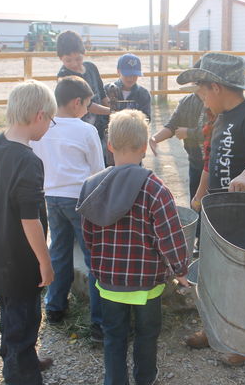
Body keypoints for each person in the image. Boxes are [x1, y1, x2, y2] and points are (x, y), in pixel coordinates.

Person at [176, 53, 245, 367]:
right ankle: (214, 329)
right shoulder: (218, 118)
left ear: (217, 87)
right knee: (212, 275)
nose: (201, 98)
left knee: (243, 282)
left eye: (202, 91)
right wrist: (198, 196)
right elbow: (210, 161)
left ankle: (244, 344)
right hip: (218, 217)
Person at [76, 109, 189, 385]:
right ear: (144, 148)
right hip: (147, 284)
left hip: (110, 282)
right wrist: (181, 270)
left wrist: (99, 265)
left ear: (110, 145)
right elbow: (170, 237)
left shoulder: (91, 185)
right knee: (147, 336)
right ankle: (145, 379)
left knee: (114, 337)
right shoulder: (156, 189)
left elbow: (87, 236)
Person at [0, 80, 57, 385]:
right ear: (39, 116)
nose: (49, 126)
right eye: (50, 120)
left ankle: (17, 353)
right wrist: (45, 262)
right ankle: (19, 371)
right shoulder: (29, 161)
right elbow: (30, 220)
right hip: (20, 261)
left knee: (10, 312)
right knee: (23, 321)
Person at [29, 76, 105, 341]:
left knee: (58, 252)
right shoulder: (85, 130)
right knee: (93, 258)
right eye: (87, 104)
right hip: (80, 199)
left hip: (51, 197)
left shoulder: (43, 126)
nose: (88, 108)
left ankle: (55, 307)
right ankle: (99, 323)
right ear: (76, 103)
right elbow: (97, 170)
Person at [56, 30, 112, 155]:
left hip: (101, 125)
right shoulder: (64, 77)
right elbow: (87, 105)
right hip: (78, 129)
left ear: (84, 53)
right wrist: (112, 111)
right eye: (68, 60)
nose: (74, 64)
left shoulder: (91, 68)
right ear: (60, 58)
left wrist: (112, 111)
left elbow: (102, 93)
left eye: (78, 58)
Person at [148, 90, 206, 200]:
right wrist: (155, 139)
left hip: (211, 163)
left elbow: (214, 132)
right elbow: (172, 126)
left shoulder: (214, 102)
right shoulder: (186, 101)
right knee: (195, 200)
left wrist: (188, 132)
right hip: (194, 161)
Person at [103, 53, 151, 166]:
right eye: (127, 75)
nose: (131, 78)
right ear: (118, 71)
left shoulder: (143, 94)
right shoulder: (107, 91)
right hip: (113, 139)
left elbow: (147, 118)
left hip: (133, 140)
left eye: (134, 75)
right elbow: (102, 118)